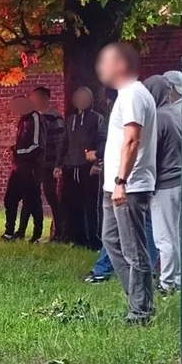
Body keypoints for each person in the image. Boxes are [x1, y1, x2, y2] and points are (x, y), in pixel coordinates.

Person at [96, 42, 158, 324]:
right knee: (111, 241)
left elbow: (132, 141)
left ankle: (141, 312)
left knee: (134, 251)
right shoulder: (127, 94)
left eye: (106, 62)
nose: (101, 68)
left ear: (121, 65)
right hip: (115, 185)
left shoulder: (133, 93)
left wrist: (121, 181)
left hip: (128, 186)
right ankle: (138, 299)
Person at [54, 87, 106, 249]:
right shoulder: (70, 120)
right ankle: (78, 240)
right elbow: (64, 143)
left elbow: (102, 140)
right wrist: (58, 165)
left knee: (91, 206)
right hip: (70, 168)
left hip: (88, 168)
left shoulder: (97, 119)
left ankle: (94, 241)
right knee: (72, 205)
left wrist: (97, 162)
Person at [146, 75, 182, 294]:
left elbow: (150, 153)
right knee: (177, 234)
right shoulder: (176, 113)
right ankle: (178, 278)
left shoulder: (158, 117)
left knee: (164, 237)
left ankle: (167, 283)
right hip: (179, 179)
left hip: (164, 182)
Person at [2, 95, 45, 242]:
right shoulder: (23, 120)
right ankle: (9, 232)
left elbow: (37, 146)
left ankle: (37, 235)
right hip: (18, 167)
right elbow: (24, 143)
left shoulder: (36, 118)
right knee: (10, 199)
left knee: (33, 201)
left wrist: (16, 152)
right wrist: (13, 149)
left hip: (31, 169)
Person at [32, 86, 66, 242]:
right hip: (38, 164)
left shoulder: (54, 117)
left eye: (35, 98)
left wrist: (58, 164)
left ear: (44, 99)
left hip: (49, 164)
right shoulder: (36, 117)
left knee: (52, 197)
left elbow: (60, 142)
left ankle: (59, 233)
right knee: (33, 197)